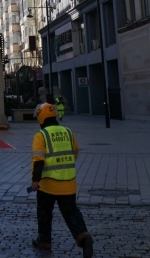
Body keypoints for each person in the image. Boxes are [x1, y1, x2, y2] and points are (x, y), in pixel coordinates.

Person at [30, 102, 93, 257]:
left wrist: (35, 180)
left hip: (47, 184)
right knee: (71, 212)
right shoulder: (68, 132)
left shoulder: (41, 135)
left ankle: (44, 240)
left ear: (41, 117)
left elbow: (38, 160)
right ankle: (84, 237)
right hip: (68, 182)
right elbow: (75, 153)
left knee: (44, 211)